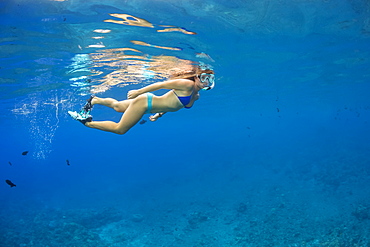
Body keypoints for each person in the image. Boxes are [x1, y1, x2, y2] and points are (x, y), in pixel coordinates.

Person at [68, 64, 215, 135]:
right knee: (120, 129)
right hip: (145, 102)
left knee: (118, 106)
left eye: (209, 79)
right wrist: (138, 91)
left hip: (150, 106)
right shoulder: (186, 84)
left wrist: (159, 114)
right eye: (203, 78)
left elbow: (173, 105)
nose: (206, 82)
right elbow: (161, 84)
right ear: (196, 77)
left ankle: (94, 100)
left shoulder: (196, 96)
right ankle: (87, 123)